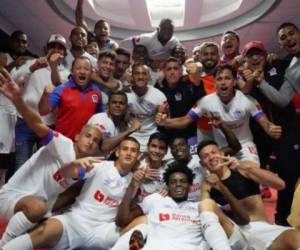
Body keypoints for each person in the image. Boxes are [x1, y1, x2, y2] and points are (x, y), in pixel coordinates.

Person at [0, 68, 102, 247]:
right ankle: (4, 244)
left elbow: (68, 172)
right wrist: (17, 100)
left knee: (50, 217)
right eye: (87, 136)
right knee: (38, 207)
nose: (91, 141)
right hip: (12, 199)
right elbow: (38, 124)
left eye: (95, 140)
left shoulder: (83, 168)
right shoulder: (62, 143)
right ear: (77, 136)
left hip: (34, 211)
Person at [2, 137, 141, 250]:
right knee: (40, 233)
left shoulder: (136, 180)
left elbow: (123, 218)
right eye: (125, 149)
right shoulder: (99, 165)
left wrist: (134, 185)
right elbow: (64, 174)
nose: (129, 153)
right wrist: (74, 165)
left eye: (133, 151)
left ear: (138, 156)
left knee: (140, 226)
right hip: (76, 220)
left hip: (102, 230)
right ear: (117, 152)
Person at [156, 64, 282, 165]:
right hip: (221, 148)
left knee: (251, 172)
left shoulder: (247, 100)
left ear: (234, 82)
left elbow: (264, 122)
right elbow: (186, 120)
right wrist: (165, 122)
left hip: (245, 145)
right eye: (219, 79)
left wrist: (271, 129)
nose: (223, 82)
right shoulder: (206, 102)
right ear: (214, 83)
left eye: (227, 78)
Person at [115, 161, 251, 250]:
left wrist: (221, 187)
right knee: (141, 226)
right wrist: (133, 185)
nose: (178, 184)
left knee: (208, 205)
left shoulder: (202, 208)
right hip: (158, 247)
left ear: (190, 185)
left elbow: (242, 219)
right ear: (167, 186)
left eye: (183, 181)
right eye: (173, 182)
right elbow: (121, 220)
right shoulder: (156, 199)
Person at [197, 140, 300, 250]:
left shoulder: (243, 168)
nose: (211, 157)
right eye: (206, 156)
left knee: (296, 237)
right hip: (234, 232)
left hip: (263, 229)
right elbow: (205, 213)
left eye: (214, 152)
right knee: (206, 204)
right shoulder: (207, 184)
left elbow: (280, 185)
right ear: (202, 163)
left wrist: (243, 166)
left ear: (222, 153)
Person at [240, 40, 300, 225]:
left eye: (259, 54)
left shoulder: (279, 67)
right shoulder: (241, 77)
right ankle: (254, 217)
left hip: (287, 130)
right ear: (245, 60)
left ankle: (282, 218)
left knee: (289, 174)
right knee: (252, 176)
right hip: (258, 134)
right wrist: (249, 78)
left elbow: (284, 97)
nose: (255, 58)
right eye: (251, 55)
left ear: (266, 56)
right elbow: (242, 95)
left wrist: (275, 62)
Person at [11, 33, 69, 170]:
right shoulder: (31, 63)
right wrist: (32, 68)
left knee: (43, 168)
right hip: (25, 121)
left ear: (64, 53)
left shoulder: (67, 74)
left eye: (60, 48)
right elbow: (12, 80)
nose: (56, 50)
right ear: (45, 49)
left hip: (49, 125)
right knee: (21, 165)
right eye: (52, 46)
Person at [39, 56, 104, 141]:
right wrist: (45, 95)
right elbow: (43, 111)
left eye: (86, 69)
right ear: (72, 71)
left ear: (91, 72)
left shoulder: (96, 91)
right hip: (63, 142)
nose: (82, 72)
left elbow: (101, 117)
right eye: (78, 68)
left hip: (86, 145)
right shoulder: (61, 89)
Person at [155, 57, 205, 153]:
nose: (172, 72)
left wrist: (196, 73)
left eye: (176, 68)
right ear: (164, 72)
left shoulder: (189, 85)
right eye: (169, 69)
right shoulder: (158, 88)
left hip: (190, 133)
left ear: (181, 71)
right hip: (167, 135)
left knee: (194, 160)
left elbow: (201, 98)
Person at [256, 22, 300, 107]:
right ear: (280, 45)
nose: (288, 38)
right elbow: (282, 100)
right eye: (283, 38)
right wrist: (261, 82)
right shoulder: (289, 72)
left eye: (291, 33)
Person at [126, 63, 167, 151]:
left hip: (152, 135)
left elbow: (166, 118)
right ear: (132, 76)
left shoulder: (159, 95)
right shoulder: (125, 93)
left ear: (149, 77)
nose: (140, 76)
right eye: (137, 73)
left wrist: (162, 116)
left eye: (144, 73)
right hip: (130, 134)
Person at [87, 91, 141, 155]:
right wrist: (131, 129)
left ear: (126, 107)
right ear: (108, 105)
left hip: (104, 162)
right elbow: (104, 146)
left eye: (121, 103)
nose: (117, 105)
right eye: (114, 102)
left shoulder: (122, 124)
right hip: (87, 161)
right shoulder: (99, 118)